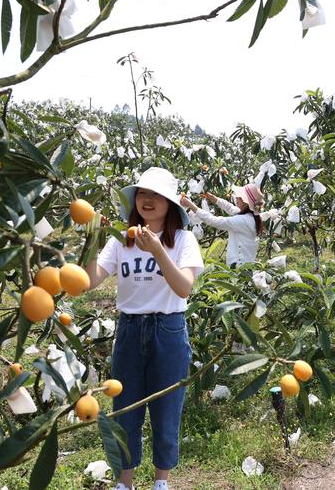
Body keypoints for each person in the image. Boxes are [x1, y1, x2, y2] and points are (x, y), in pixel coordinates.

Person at [84, 167, 204, 490]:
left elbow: (183, 288)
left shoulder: (183, 240)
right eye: (142, 193)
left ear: (169, 204)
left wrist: (158, 252)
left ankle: (161, 482)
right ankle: (126, 482)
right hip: (130, 330)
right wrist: (91, 240)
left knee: (167, 409)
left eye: (155, 195)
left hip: (168, 330)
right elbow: (91, 280)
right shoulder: (122, 240)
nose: (147, 200)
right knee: (126, 409)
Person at [180, 184, 264, 267]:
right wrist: (214, 198)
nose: (236, 198)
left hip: (238, 268)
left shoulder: (242, 220)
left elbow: (212, 220)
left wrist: (191, 205)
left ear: (246, 202)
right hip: (246, 264)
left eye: (240, 197)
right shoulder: (252, 216)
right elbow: (229, 207)